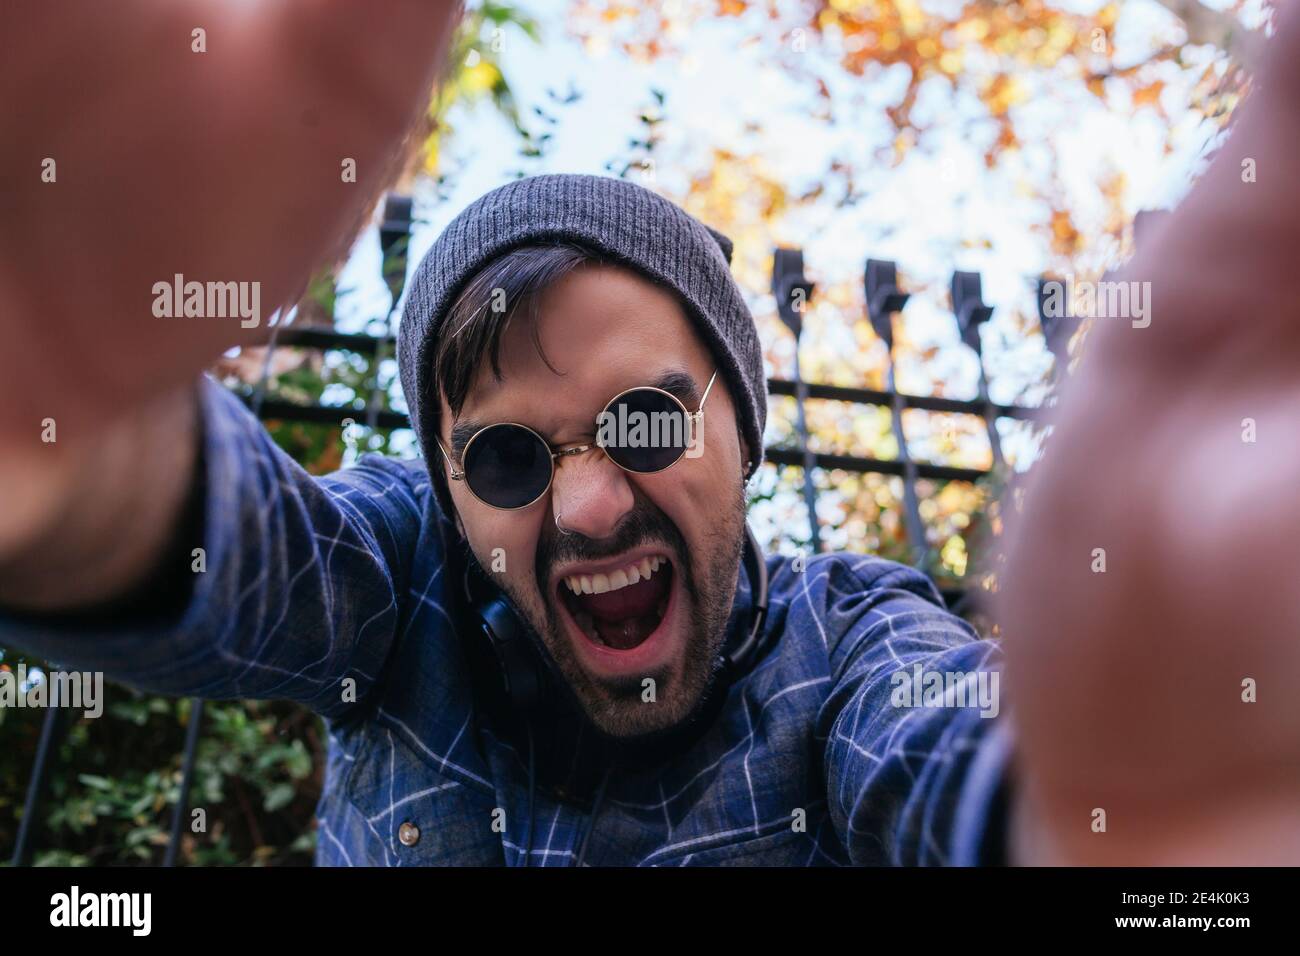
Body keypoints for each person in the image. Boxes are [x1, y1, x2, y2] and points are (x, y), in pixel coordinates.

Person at [2, 0, 1297, 867]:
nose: (589, 510)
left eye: (643, 420)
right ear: (450, 486)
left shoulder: (849, 646)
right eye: (507, 458)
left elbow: (959, 769)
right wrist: (58, 429)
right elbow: (235, 557)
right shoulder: (404, 593)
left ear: (742, 422)